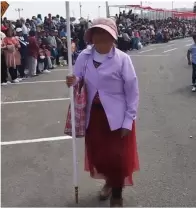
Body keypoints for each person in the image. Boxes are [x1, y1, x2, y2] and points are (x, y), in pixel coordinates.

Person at [66, 17, 139, 207]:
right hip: (94, 116)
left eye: (105, 34)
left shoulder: (123, 59)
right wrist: (72, 81)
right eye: (97, 33)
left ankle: (117, 193)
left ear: (113, 37)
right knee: (99, 156)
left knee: (118, 157)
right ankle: (109, 181)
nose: (101, 37)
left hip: (117, 117)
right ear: (91, 37)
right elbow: (78, 78)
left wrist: (128, 120)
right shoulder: (84, 56)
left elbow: (132, 91)